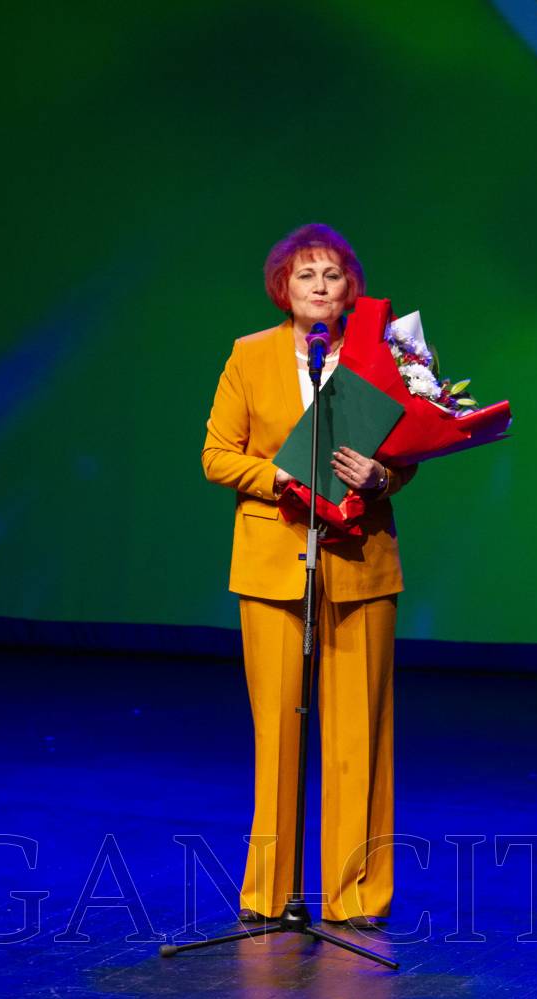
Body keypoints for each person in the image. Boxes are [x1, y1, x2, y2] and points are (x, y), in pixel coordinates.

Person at [200, 222, 417, 928]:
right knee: (278, 731)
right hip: (274, 557)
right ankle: (271, 891)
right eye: (305, 275)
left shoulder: (382, 356)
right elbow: (217, 455)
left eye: (332, 275)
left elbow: (409, 453)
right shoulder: (250, 355)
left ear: (350, 288)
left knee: (361, 734)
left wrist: (382, 477)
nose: (319, 287)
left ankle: (357, 895)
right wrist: (280, 479)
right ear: (283, 288)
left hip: (360, 558)